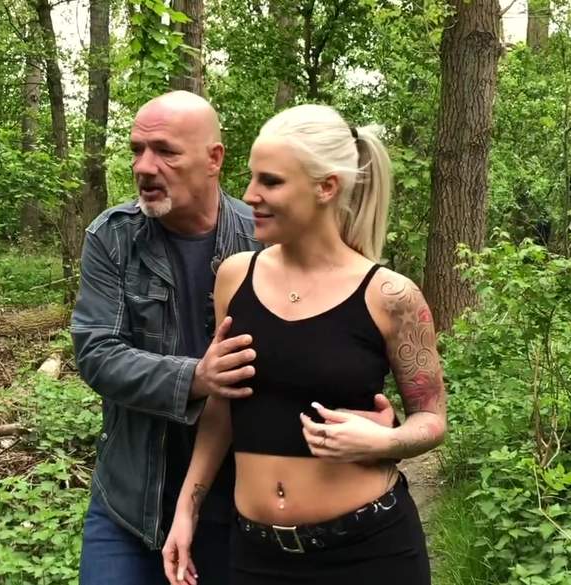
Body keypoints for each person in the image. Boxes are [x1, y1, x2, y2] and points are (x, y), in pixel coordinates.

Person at [71, 92, 398, 585]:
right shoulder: (113, 237)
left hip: (240, 505)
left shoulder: (267, 231)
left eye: (165, 151)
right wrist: (195, 377)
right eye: (137, 150)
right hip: (133, 496)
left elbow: (334, 340)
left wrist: (380, 426)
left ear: (214, 159)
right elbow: (97, 352)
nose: (144, 167)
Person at [161, 104, 448, 585]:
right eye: (251, 178)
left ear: (326, 187)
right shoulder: (235, 277)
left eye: (271, 181)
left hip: (370, 554)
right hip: (257, 557)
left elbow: (433, 420)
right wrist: (187, 510)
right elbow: (221, 408)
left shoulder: (390, 296)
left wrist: (386, 441)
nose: (249, 195)